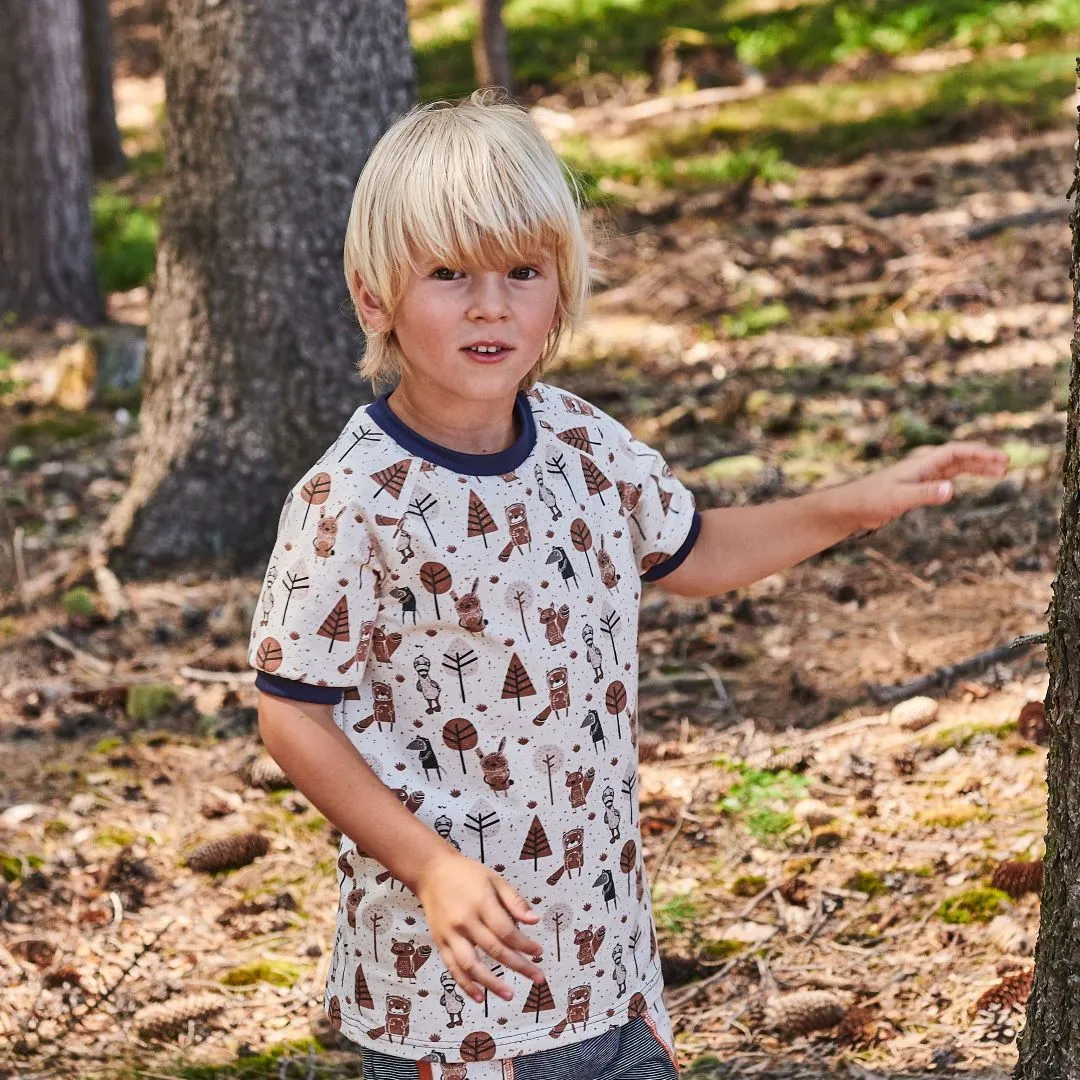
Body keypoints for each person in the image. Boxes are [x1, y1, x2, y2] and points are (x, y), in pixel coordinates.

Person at [247, 89, 1009, 1080]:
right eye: (450, 274)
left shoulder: (580, 442)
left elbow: (697, 554)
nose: (492, 304)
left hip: (610, 969)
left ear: (562, 289)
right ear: (373, 297)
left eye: (525, 272)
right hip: (455, 1000)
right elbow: (292, 713)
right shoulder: (352, 499)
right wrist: (430, 864)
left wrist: (859, 502)